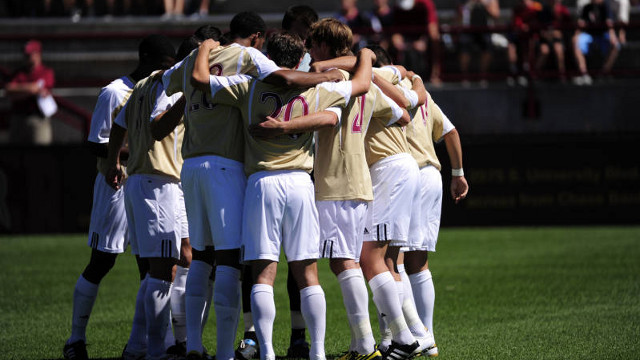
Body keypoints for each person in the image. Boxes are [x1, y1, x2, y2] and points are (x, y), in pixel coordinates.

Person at [161, 11, 343, 360]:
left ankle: (196, 345)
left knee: (203, 258)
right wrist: (326, 74)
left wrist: (202, 50)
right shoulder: (249, 61)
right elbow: (288, 79)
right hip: (237, 167)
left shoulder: (192, 63)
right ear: (257, 39)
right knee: (254, 263)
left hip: (194, 165)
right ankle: (243, 353)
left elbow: (169, 85)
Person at [191, 31, 375, 360]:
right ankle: (317, 353)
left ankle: (267, 353)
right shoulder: (318, 87)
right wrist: (365, 55)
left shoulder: (247, 86)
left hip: (262, 182)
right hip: (301, 183)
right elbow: (361, 84)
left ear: (268, 57)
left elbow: (202, 81)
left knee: (263, 272)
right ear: (297, 60)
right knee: (307, 272)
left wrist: (205, 47)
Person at [307, 19, 432, 360]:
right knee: (367, 259)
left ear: (325, 46)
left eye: (313, 44)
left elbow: (329, 116)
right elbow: (403, 114)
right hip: (363, 179)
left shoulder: (331, 81)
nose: (309, 51)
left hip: (339, 180)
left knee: (350, 262)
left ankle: (388, 340)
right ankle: (391, 338)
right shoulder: (368, 83)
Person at [62, 34, 177, 360]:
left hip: (146, 183)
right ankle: (75, 339)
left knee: (152, 266)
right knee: (102, 260)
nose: (165, 70)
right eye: (162, 65)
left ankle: (145, 343)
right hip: (115, 183)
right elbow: (95, 142)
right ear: (147, 60)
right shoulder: (116, 91)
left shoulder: (160, 90)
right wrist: (131, 149)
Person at [397, 67, 469, 359]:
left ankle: (407, 336)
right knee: (418, 260)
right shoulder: (422, 94)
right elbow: (450, 131)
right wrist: (459, 173)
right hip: (431, 175)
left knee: (393, 259)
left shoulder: (385, 90)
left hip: (406, 175)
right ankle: (426, 335)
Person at [5, 39, 55, 145]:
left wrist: (19, 90)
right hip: (19, 118)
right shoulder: (19, 73)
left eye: (29, 54)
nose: (26, 57)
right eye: (25, 54)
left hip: (38, 119)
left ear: (38, 54)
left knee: (39, 155)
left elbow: (40, 89)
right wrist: (30, 88)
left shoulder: (46, 72)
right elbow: (9, 90)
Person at [391, 0, 442, 85]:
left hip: (423, 38)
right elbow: (395, 32)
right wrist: (399, 42)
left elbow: (433, 31)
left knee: (434, 41)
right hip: (406, 40)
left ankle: (435, 75)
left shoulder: (426, 4)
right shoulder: (397, 6)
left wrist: (423, 41)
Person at [572, 0, 620, 85]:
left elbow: (609, 24)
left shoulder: (606, 7)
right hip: (588, 35)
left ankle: (603, 73)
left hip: (602, 35)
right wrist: (576, 35)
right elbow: (581, 23)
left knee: (616, 45)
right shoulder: (587, 7)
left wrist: (612, 36)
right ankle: (584, 74)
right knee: (576, 41)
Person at [457, 0, 500, 85]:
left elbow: (496, 14)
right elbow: (459, 16)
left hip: (485, 29)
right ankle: (465, 77)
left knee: (488, 46)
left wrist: (484, 4)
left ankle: (483, 76)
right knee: (464, 45)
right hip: (468, 29)